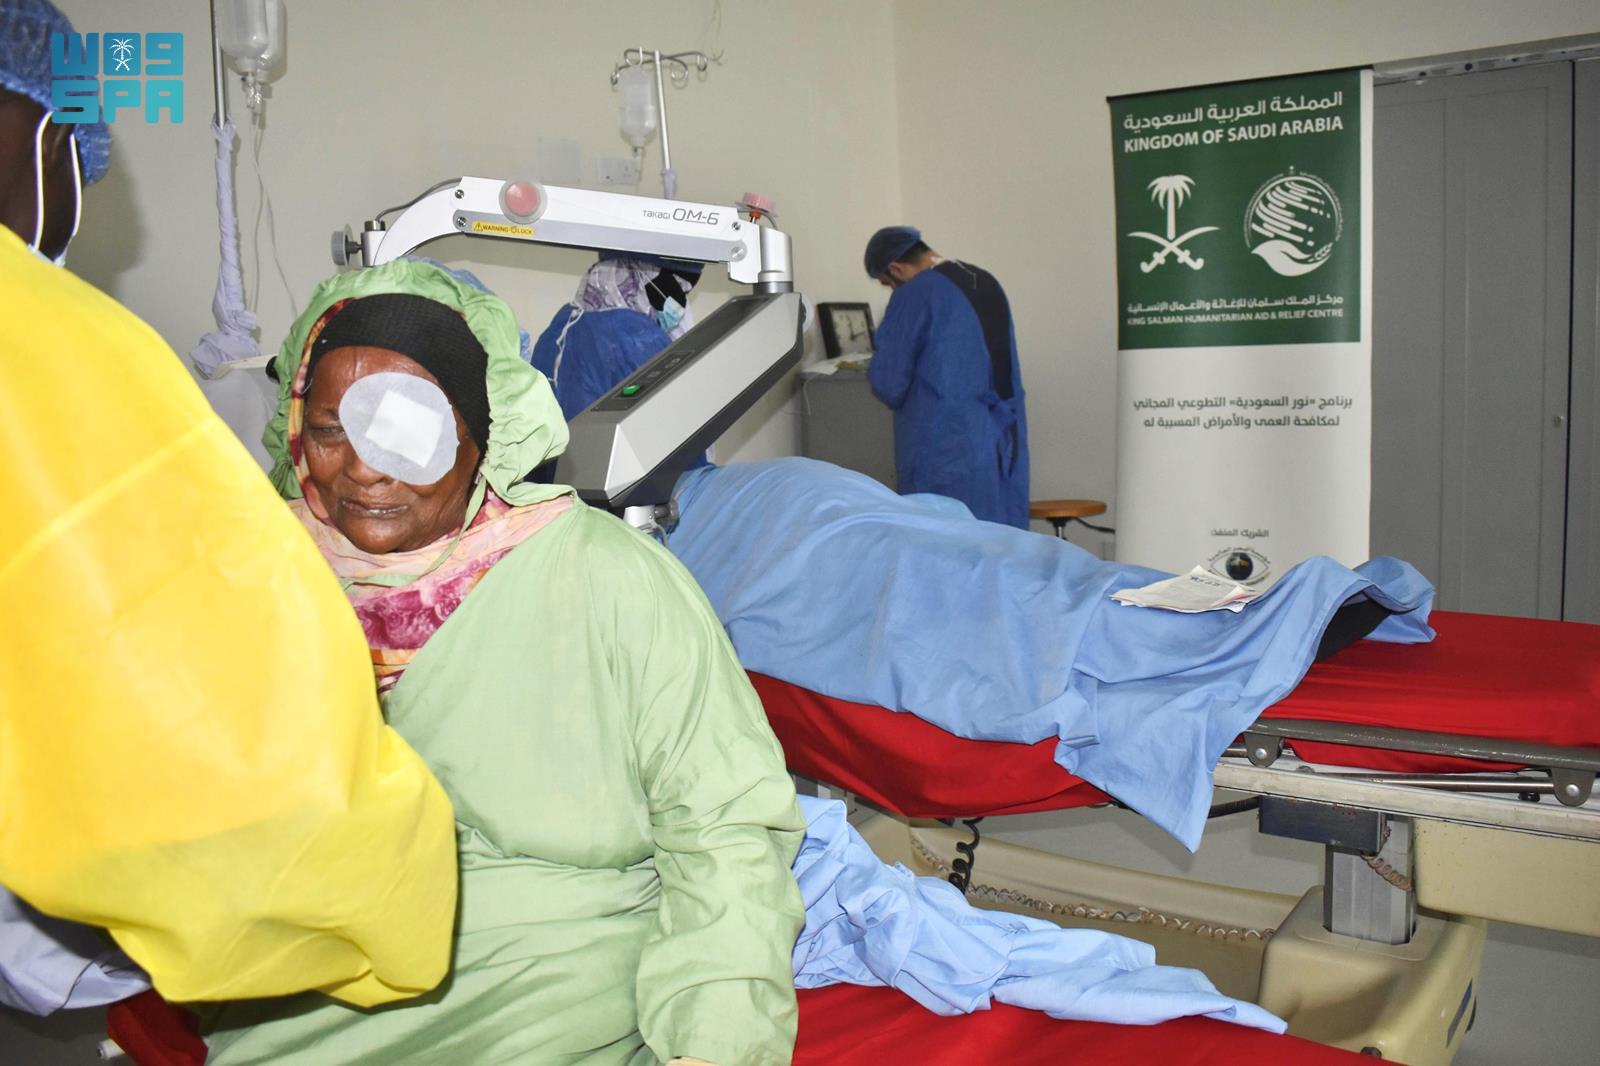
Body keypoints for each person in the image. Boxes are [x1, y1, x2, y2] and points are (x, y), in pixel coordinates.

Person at [209, 259, 807, 1065]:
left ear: (478, 431)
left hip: (551, 984)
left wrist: (713, 1039)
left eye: (405, 430)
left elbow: (726, 827)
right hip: (315, 990)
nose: (363, 467)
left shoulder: (605, 577)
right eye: (329, 430)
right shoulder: (255, 584)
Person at [0, 0, 455, 1012]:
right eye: (326, 430)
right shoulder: (57, 350)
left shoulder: (581, 576)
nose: (362, 471)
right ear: (48, 132)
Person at [863, 225, 1031, 528]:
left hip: (947, 441)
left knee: (946, 534)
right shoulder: (984, 280)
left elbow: (889, 382)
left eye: (887, 283)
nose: (892, 290)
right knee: (998, 533)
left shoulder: (915, 293)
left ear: (896, 268)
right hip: (1003, 435)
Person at [530, 250, 710, 466]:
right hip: (614, 484)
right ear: (643, 277)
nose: (679, 305)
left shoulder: (559, 328)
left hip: (553, 484)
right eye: (677, 290)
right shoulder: (638, 338)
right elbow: (680, 449)